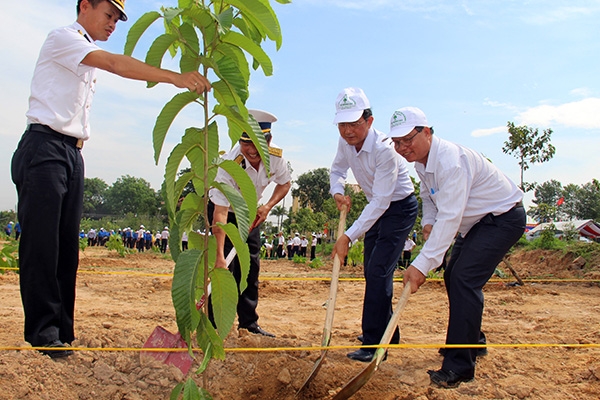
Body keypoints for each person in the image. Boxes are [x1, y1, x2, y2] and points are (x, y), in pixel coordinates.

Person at [9, 0, 211, 359]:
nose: (113, 24)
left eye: (118, 19)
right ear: (84, 6)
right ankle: (42, 334)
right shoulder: (65, 38)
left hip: (71, 153)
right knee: (43, 247)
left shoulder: (85, 51)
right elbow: (116, 64)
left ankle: (60, 333)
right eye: (109, 15)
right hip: (45, 149)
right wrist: (176, 78)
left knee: (67, 249)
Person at [390, 106, 526, 388]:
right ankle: (472, 341)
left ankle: (460, 366)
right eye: (397, 143)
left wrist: (421, 265)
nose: (402, 148)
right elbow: (429, 199)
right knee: (454, 276)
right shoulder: (422, 163)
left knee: (464, 279)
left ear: (426, 132)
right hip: (476, 224)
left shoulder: (451, 161)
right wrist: (428, 222)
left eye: (407, 140)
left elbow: (450, 216)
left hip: (502, 219)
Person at [329, 87, 418, 362]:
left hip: (398, 209)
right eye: (342, 124)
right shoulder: (345, 143)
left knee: (379, 271)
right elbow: (337, 170)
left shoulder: (384, 150)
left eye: (354, 123)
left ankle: (374, 343)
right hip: (375, 207)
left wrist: (348, 236)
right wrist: (338, 192)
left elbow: (382, 200)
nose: (347, 131)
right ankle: (387, 331)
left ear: (369, 120)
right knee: (372, 270)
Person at [208, 109, 291, 337]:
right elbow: (220, 213)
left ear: (269, 140)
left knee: (250, 268)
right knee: (225, 268)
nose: (252, 150)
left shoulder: (275, 158)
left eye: (258, 143)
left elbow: (285, 184)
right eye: (246, 144)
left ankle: (248, 324)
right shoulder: (228, 165)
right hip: (224, 214)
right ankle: (214, 326)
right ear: (239, 140)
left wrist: (268, 206)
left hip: (251, 213)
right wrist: (218, 257)